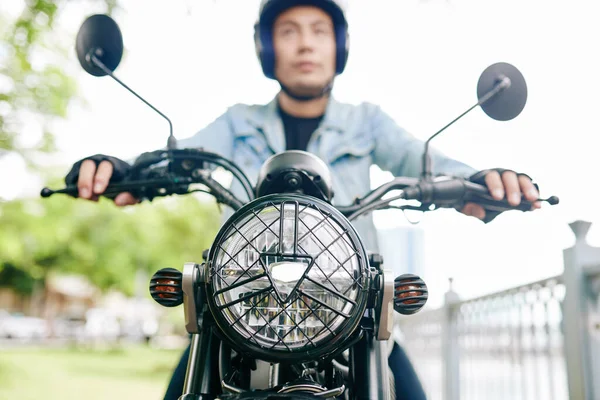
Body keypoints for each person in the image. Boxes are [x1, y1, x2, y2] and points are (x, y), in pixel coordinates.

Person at [64, 0, 542, 398]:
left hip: (350, 307)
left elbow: (422, 160)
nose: (306, 42)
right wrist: (129, 170)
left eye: (319, 30)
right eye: (289, 31)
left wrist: (480, 180)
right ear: (267, 47)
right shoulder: (237, 121)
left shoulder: (366, 122)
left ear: (340, 46)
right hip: (243, 305)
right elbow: (188, 157)